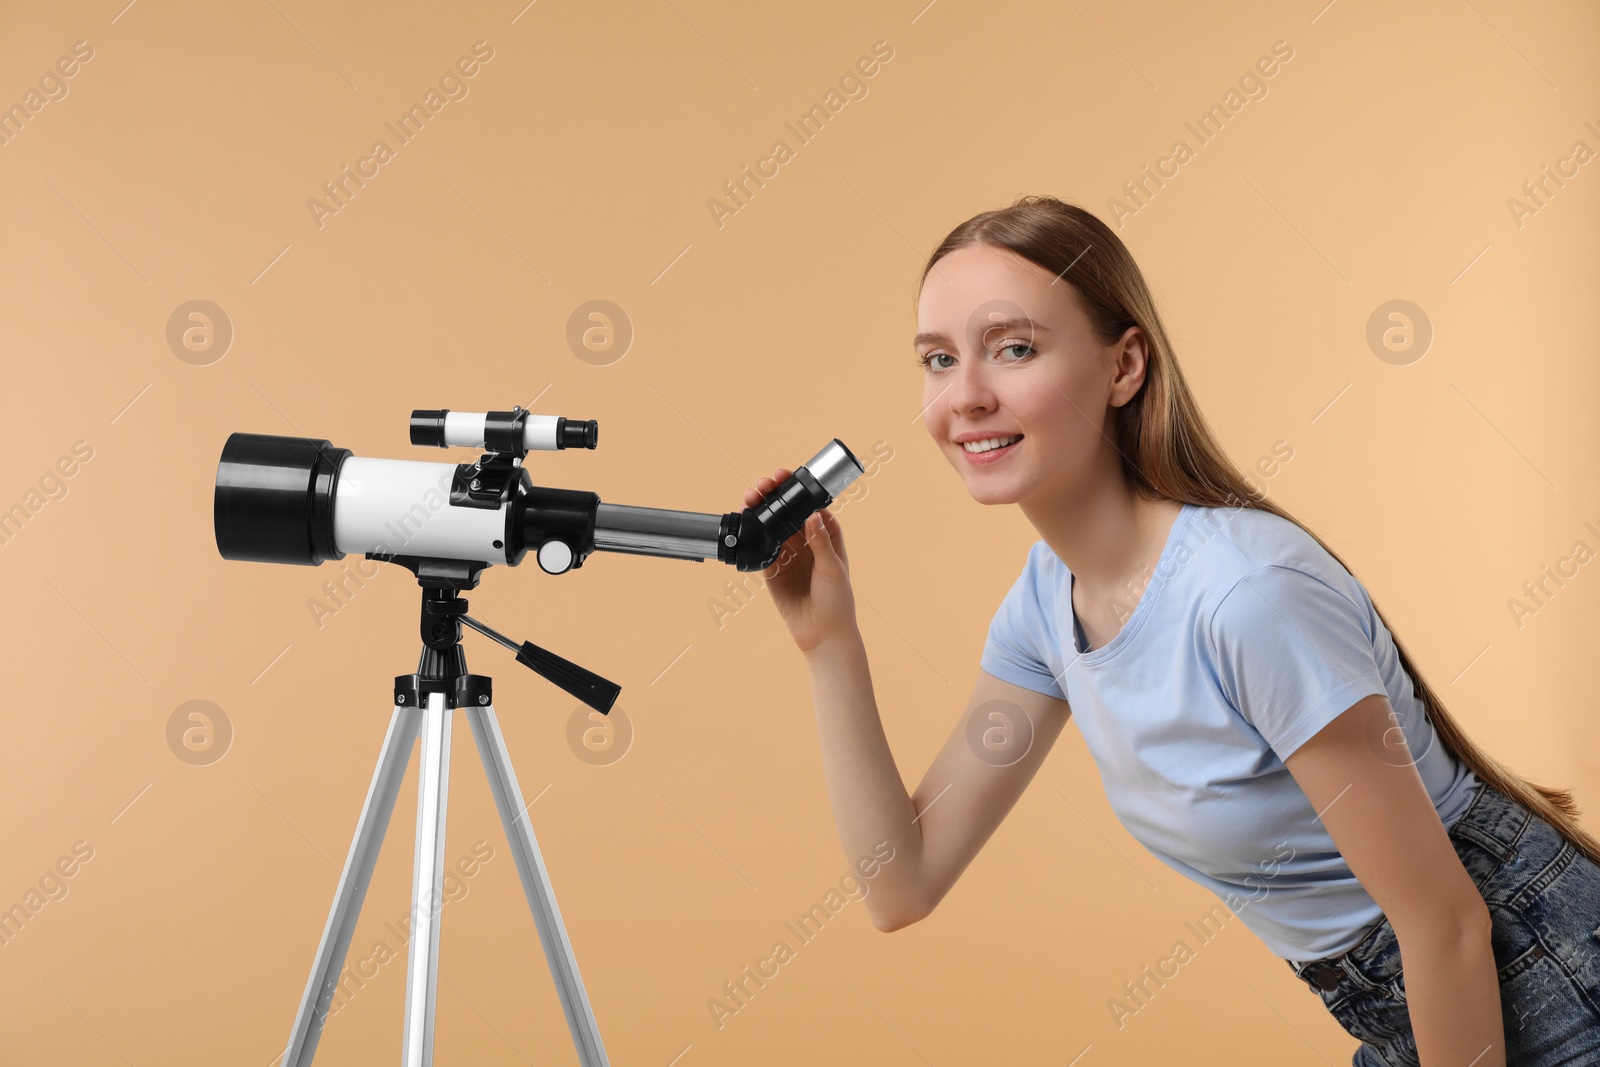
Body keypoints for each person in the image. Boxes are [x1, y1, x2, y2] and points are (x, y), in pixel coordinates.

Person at [742, 195, 1600, 1067]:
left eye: (1014, 348)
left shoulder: (1246, 595)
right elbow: (902, 881)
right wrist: (830, 647)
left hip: (1529, 973)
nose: (964, 395)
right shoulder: (1049, 602)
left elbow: (1447, 924)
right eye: (937, 358)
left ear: (1125, 366)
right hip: (1418, 997)